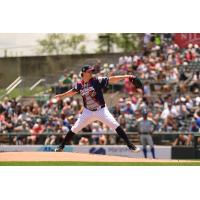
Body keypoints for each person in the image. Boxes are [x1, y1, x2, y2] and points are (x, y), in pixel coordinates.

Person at [54, 64, 141, 153]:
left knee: (115, 125)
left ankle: (130, 145)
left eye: (92, 71)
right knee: (75, 128)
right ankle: (61, 146)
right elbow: (72, 92)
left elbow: (112, 79)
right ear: (84, 73)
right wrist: (62, 95)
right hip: (87, 112)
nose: (91, 72)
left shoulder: (96, 80)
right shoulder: (80, 84)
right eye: (89, 71)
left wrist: (127, 76)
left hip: (101, 110)